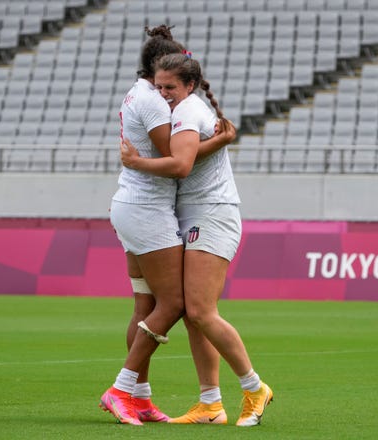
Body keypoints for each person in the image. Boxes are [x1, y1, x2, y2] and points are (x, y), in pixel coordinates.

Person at [120, 52, 273, 427]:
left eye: (170, 87)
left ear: (189, 85)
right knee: (191, 315)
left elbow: (181, 165)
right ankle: (210, 404)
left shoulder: (188, 111)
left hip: (212, 212)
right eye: (159, 87)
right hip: (192, 213)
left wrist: (137, 163)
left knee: (201, 311)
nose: (164, 93)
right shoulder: (182, 110)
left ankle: (254, 388)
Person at [99, 25, 235, 426]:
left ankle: (140, 397)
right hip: (147, 210)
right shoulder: (157, 103)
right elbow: (178, 163)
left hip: (130, 205)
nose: (166, 90)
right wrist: (222, 140)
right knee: (176, 304)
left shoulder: (137, 92)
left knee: (146, 305)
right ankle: (121, 389)